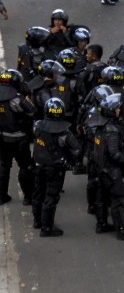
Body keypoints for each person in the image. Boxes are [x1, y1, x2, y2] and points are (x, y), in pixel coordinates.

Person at [93, 94, 124, 241]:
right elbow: (114, 154)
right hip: (111, 171)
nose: (119, 110)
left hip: (101, 168)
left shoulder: (99, 125)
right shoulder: (112, 130)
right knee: (118, 200)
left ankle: (101, 224)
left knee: (101, 197)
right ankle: (122, 231)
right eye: (116, 108)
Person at [31, 98, 81, 237]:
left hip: (38, 165)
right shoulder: (65, 133)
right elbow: (77, 150)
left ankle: (38, 221)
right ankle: (47, 228)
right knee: (51, 196)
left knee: (37, 193)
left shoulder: (37, 126)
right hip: (55, 168)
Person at [0, 69, 35, 205]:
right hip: (19, 138)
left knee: (4, 166)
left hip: (3, 138)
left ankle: (2, 196)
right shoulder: (17, 99)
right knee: (25, 167)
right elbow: (32, 112)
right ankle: (28, 196)